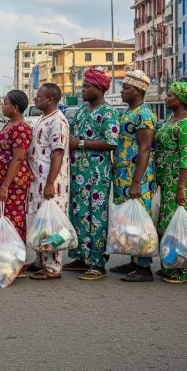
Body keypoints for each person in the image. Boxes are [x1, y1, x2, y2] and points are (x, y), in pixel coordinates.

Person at [65, 69, 119, 281]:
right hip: (78, 172)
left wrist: (79, 144)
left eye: (87, 87)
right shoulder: (81, 111)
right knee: (79, 213)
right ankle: (81, 256)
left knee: (96, 216)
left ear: (99, 89)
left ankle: (97, 262)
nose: (82, 90)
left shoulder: (108, 113)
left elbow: (111, 142)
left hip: (97, 173)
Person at [154, 81, 187, 284]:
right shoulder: (171, 121)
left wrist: (181, 187)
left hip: (180, 180)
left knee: (181, 224)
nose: (166, 98)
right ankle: (170, 265)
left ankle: (185, 270)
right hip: (167, 179)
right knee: (167, 223)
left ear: (181, 100)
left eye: (171, 95)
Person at [112, 69, 157, 282]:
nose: (122, 91)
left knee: (140, 220)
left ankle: (144, 266)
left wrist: (137, 181)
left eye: (126, 88)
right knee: (129, 220)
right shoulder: (129, 112)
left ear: (138, 91)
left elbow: (145, 148)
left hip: (137, 175)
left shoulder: (144, 115)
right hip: (123, 174)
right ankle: (133, 261)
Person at [27, 83, 71, 280]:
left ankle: (53, 266)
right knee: (40, 221)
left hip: (51, 181)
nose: (36, 99)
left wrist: (51, 182)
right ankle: (40, 260)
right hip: (38, 179)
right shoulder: (42, 119)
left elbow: (58, 152)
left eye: (39, 96)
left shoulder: (58, 121)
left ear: (50, 99)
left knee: (52, 224)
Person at [0, 90, 32, 273]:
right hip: (0, 182)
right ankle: (1, 259)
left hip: (12, 184)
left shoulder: (21, 128)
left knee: (13, 221)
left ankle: (15, 262)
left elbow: (18, 159)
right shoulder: (9, 125)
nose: (2, 106)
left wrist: (5, 186)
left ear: (15, 107)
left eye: (5, 103)